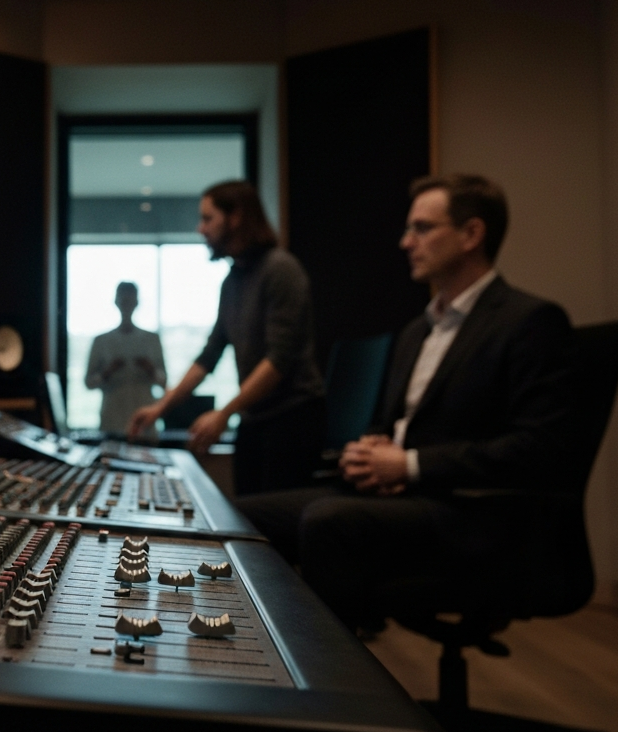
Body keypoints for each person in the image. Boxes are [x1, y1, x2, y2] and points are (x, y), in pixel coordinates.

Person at [235, 173, 576, 632]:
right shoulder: (419, 328)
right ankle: (266, 654)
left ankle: (339, 683)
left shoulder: (530, 321)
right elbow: (398, 426)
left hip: (476, 513)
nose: (405, 242)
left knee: (328, 520)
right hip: (409, 499)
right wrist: (369, 450)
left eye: (421, 228)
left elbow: (539, 450)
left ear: (472, 234)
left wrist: (411, 465)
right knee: (243, 514)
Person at [128, 180, 325, 495]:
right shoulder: (232, 280)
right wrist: (160, 408)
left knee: (273, 524)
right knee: (248, 515)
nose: (200, 229)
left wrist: (224, 413)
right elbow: (210, 355)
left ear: (236, 218)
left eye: (208, 219)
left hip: (292, 421)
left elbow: (278, 361)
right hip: (255, 419)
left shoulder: (281, 270)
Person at [85, 281, 166, 438]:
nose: (127, 303)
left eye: (130, 299)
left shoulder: (151, 339)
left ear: (137, 302)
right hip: (112, 421)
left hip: (144, 424)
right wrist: (107, 372)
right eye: (124, 299)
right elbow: (88, 382)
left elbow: (164, 381)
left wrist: (150, 369)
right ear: (116, 301)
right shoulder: (102, 341)